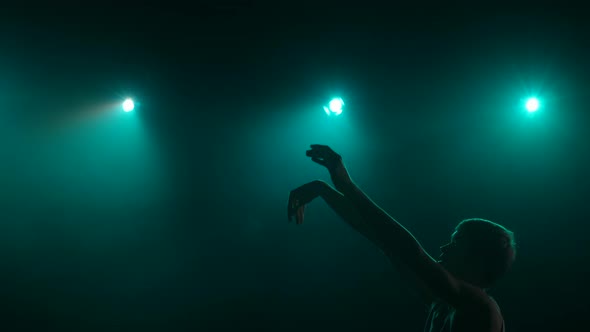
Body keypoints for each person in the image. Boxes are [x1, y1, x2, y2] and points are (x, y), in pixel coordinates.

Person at [287, 144, 516, 332]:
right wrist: (323, 189)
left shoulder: (482, 309)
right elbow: (383, 239)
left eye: (456, 243)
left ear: (476, 260)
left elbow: (408, 251)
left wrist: (348, 186)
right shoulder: (443, 303)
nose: (444, 248)